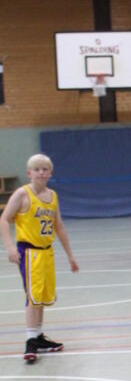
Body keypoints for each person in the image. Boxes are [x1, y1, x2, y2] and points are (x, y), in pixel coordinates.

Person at [0, 153, 79, 363]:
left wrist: (70, 256)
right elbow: (4, 219)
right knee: (33, 296)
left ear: (50, 173)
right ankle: (30, 340)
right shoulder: (22, 194)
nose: (41, 172)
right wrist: (9, 247)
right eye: (37, 169)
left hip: (46, 251)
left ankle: (38, 335)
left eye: (45, 169)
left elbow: (59, 226)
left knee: (42, 296)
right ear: (29, 173)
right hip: (29, 251)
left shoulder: (52, 196)